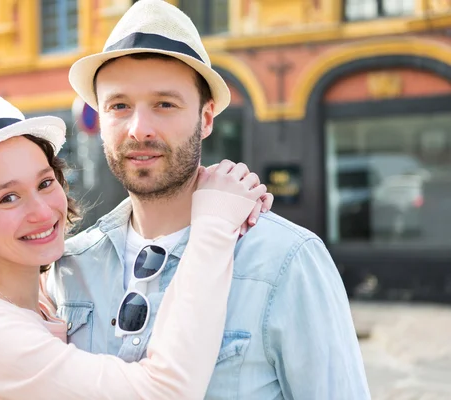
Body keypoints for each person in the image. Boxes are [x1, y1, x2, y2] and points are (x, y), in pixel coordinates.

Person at [48, 0, 371, 399]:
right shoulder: (70, 267)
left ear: (205, 118)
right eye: (119, 106)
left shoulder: (286, 260)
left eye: (165, 104)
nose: (139, 128)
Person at [0, 85, 266, 399]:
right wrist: (213, 223)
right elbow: (163, 391)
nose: (42, 212)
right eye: (8, 197)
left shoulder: (40, 298)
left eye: (44, 183)